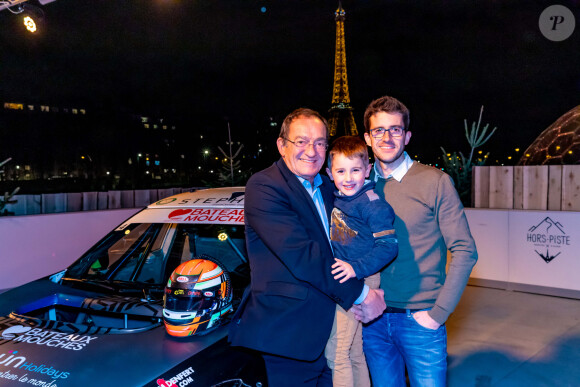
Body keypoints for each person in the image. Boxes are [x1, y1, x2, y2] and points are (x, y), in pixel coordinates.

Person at [228, 108, 386, 387]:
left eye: (320, 143)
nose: (311, 151)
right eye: (301, 141)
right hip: (291, 337)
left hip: (332, 327)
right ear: (281, 145)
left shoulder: (328, 186)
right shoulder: (265, 186)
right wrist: (362, 295)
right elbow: (304, 257)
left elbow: (355, 237)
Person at [356, 96, 478, 387]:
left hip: (421, 320)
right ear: (367, 138)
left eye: (395, 130)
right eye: (378, 130)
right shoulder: (358, 185)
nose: (386, 137)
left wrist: (438, 314)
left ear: (407, 136)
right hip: (371, 319)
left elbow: (465, 251)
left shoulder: (435, 182)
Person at [323, 136, 398, 387]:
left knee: (337, 353)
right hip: (352, 275)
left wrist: (356, 269)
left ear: (367, 170)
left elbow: (389, 247)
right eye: (341, 171)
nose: (348, 178)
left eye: (356, 170)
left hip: (360, 277)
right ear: (329, 173)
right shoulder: (340, 198)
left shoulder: (371, 204)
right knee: (353, 351)